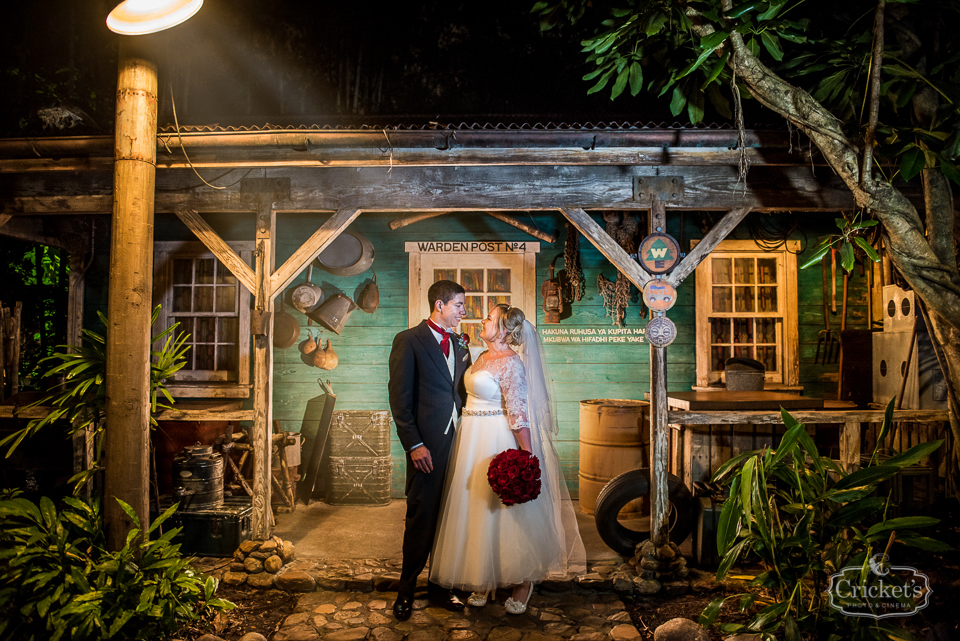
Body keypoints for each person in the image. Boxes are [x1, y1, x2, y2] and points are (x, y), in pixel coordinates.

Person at [430, 304, 586, 614]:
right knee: (477, 508)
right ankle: (483, 578)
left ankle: (522, 582)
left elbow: (518, 411)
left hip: (494, 437)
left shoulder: (512, 364)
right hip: (471, 438)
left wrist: (526, 456)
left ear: (502, 330)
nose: (483, 320)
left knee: (504, 512)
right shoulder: (482, 356)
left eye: (489, 318)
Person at [387, 280, 472, 621]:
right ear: (440, 305)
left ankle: (441, 589)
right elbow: (400, 399)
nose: (464, 312)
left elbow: (461, 394)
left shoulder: (460, 344)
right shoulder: (409, 341)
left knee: (451, 518)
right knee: (421, 517)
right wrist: (415, 444)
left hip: (461, 442)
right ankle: (405, 591)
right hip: (427, 447)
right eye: (460, 306)